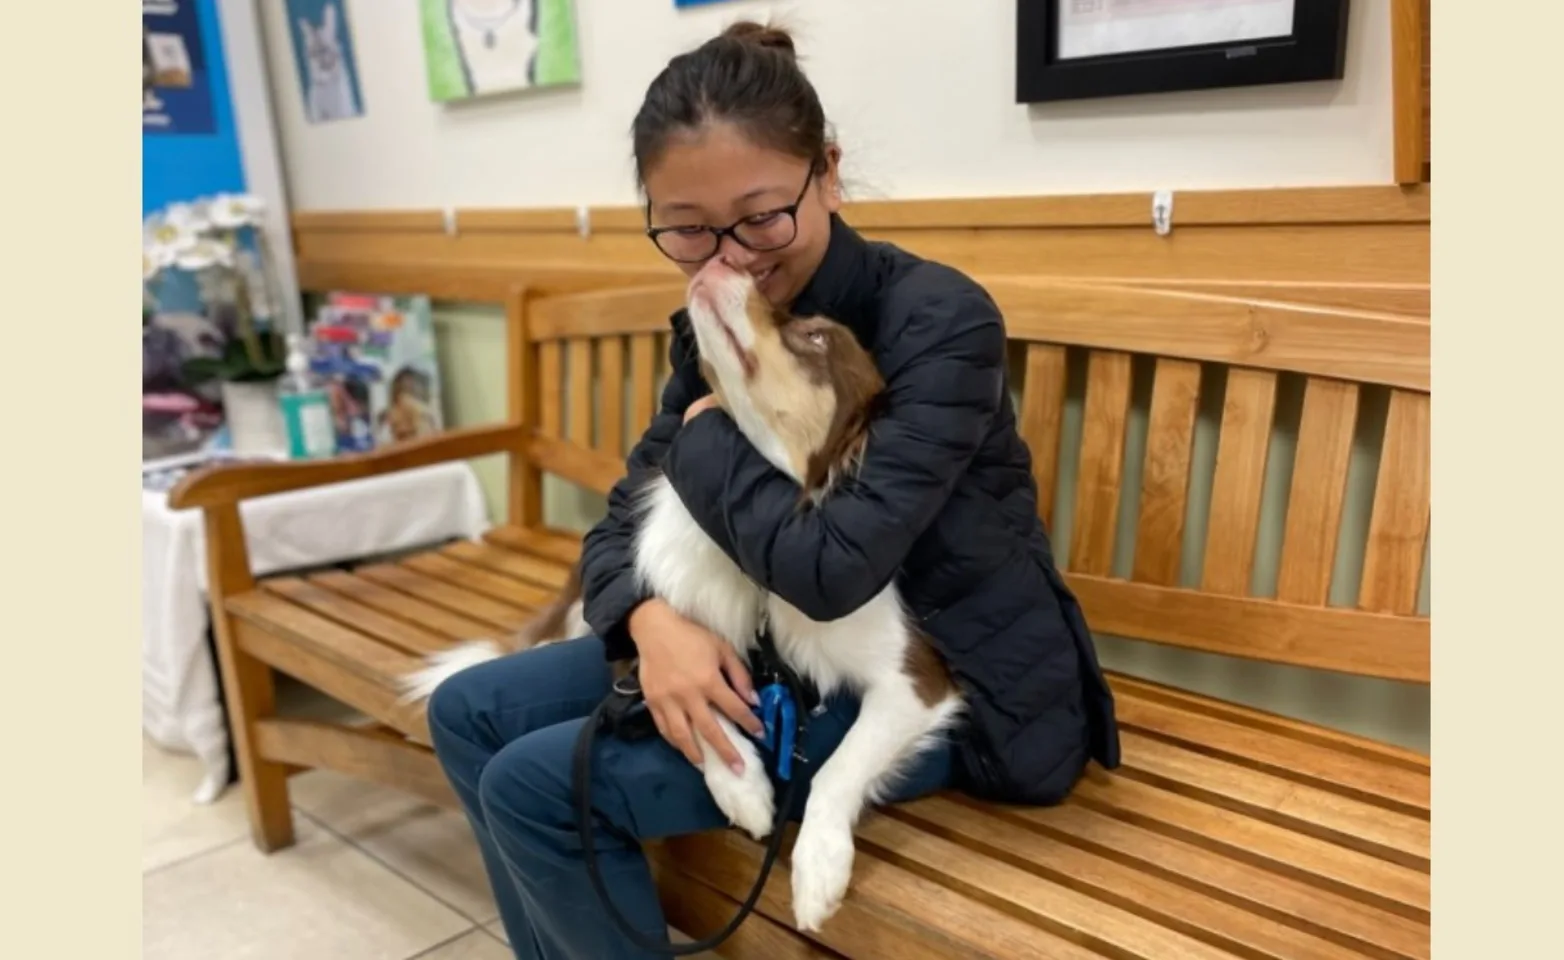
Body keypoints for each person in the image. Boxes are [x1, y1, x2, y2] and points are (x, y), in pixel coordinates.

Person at [428, 21, 1120, 959]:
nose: (732, 257)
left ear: (826, 173)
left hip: (950, 682)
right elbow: (619, 532)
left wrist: (706, 432)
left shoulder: (939, 321)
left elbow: (831, 572)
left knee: (538, 786)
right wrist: (648, 624)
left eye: (761, 217)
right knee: (465, 711)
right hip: (775, 653)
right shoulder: (711, 318)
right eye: (687, 228)